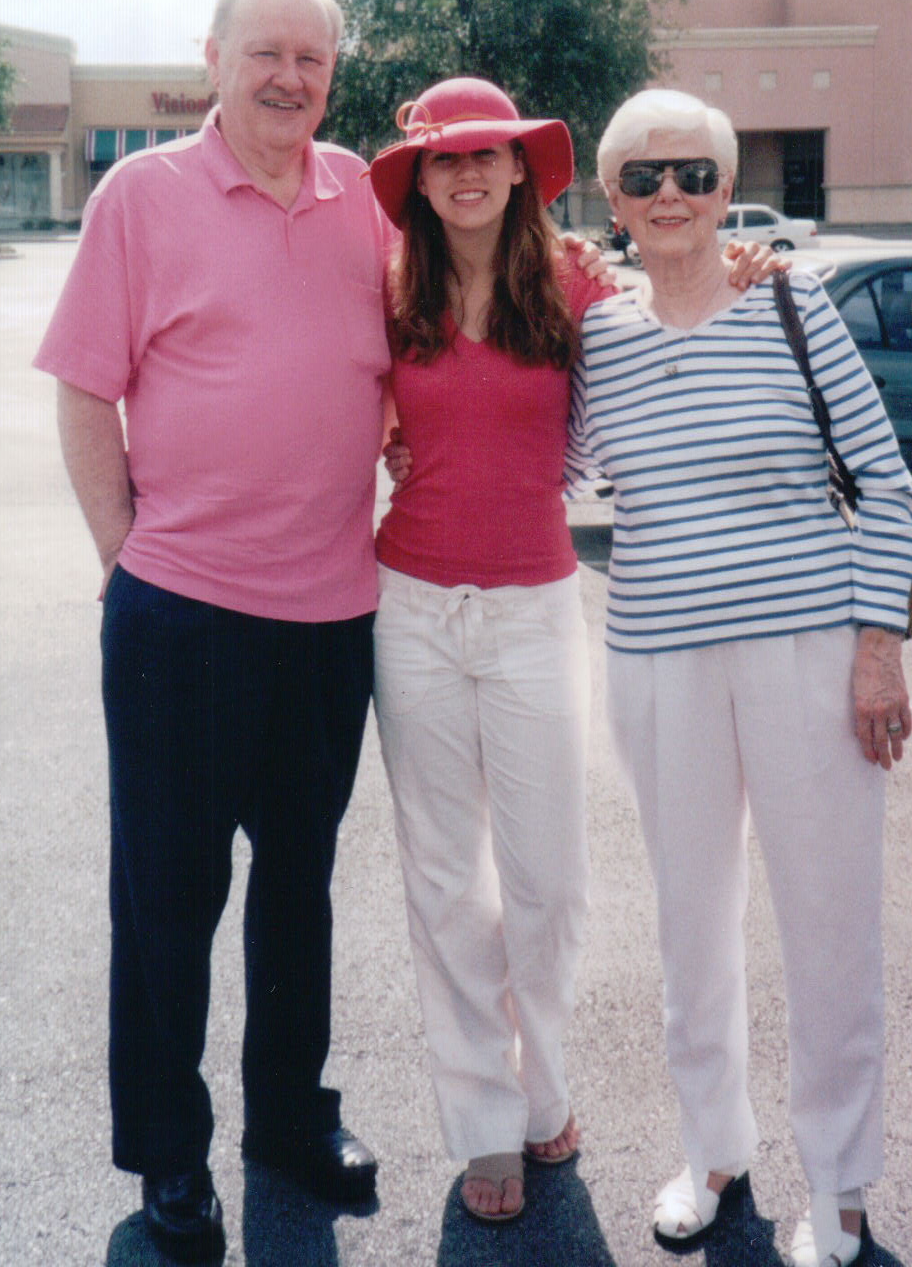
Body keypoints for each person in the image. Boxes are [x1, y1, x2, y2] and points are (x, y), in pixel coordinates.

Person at [34, 0, 390, 1262]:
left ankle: (288, 1119)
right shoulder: (143, 197)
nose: (291, 77)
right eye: (267, 54)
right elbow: (87, 390)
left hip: (332, 619)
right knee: (167, 902)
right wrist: (123, 555)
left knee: (299, 891)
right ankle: (170, 1160)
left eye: (313, 57)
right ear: (214, 62)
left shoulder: (365, 198)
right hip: (181, 618)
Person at [567, 89, 912, 1267]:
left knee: (830, 922)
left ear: (727, 189)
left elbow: (887, 484)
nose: (670, 193)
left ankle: (839, 1179)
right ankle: (712, 1149)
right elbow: (542, 464)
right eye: (644, 176)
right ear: (612, 199)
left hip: (807, 656)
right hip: (656, 661)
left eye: (694, 173)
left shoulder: (790, 304)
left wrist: (877, 646)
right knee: (689, 923)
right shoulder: (594, 336)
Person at [366, 77, 612, 1223]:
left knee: (548, 877)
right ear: (419, 180)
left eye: (487, 154)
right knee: (444, 877)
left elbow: (682, 325)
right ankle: (483, 1121)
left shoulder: (576, 282)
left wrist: (756, 274)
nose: (466, 173)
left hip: (532, 609)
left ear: (521, 168)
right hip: (410, 606)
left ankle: (545, 1082)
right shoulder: (385, 286)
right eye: (444, 158)